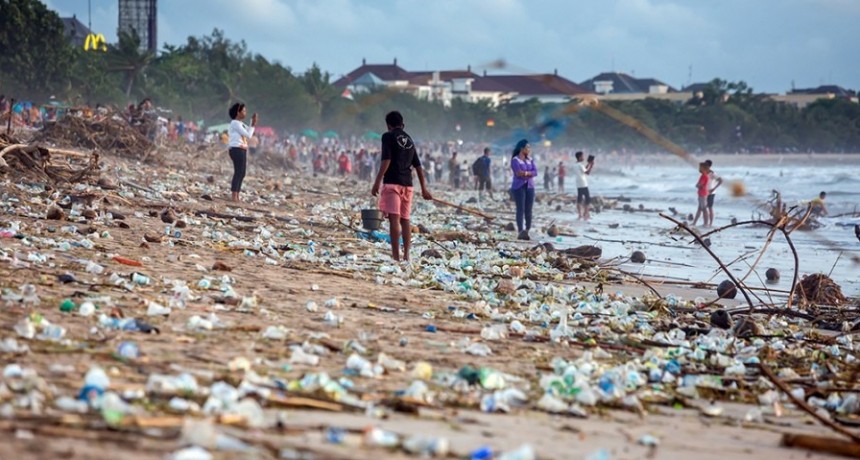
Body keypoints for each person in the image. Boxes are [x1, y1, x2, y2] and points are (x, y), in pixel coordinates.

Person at [371, 111, 432, 262]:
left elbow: (386, 160)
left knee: (394, 220)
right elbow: (418, 166)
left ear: (388, 125)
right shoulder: (410, 140)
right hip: (408, 186)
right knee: (405, 220)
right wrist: (424, 189)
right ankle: (406, 256)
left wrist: (377, 181)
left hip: (393, 183)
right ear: (402, 125)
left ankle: (396, 257)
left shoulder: (387, 136)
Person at [227, 102, 257, 202]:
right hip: (236, 149)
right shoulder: (235, 123)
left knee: (242, 172)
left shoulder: (241, 124)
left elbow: (248, 131)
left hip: (242, 149)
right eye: (243, 111)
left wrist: (252, 123)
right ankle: (234, 195)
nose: (245, 113)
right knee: (238, 172)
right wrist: (252, 125)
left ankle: (237, 194)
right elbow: (248, 135)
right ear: (238, 112)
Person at [510, 139, 537, 240]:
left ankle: (528, 229)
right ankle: (520, 230)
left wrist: (525, 173)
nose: (529, 149)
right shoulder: (515, 160)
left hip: (530, 186)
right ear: (522, 149)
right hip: (518, 186)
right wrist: (529, 173)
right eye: (527, 147)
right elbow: (518, 173)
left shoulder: (530, 160)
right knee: (520, 209)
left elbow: (535, 172)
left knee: (528, 209)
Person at [574, 151, 595, 220]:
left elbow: (584, 170)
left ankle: (580, 214)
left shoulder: (576, 164)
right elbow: (587, 172)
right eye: (582, 156)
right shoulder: (580, 165)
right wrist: (591, 166)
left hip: (578, 183)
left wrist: (588, 164)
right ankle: (586, 214)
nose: (583, 157)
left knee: (579, 199)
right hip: (583, 183)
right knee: (587, 199)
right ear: (580, 157)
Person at [703, 159, 723, 227]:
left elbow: (720, 180)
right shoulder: (704, 173)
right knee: (704, 208)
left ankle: (710, 223)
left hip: (711, 192)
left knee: (710, 207)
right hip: (705, 192)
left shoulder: (712, 173)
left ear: (709, 166)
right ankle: (705, 222)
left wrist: (714, 188)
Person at [692, 162, 710, 226]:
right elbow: (698, 184)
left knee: (704, 209)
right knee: (699, 208)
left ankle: (706, 223)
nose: (699, 168)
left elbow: (700, 184)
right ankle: (694, 222)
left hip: (703, 194)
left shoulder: (704, 176)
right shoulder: (702, 176)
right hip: (701, 193)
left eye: (700, 167)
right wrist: (698, 185)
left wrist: (698, 185)